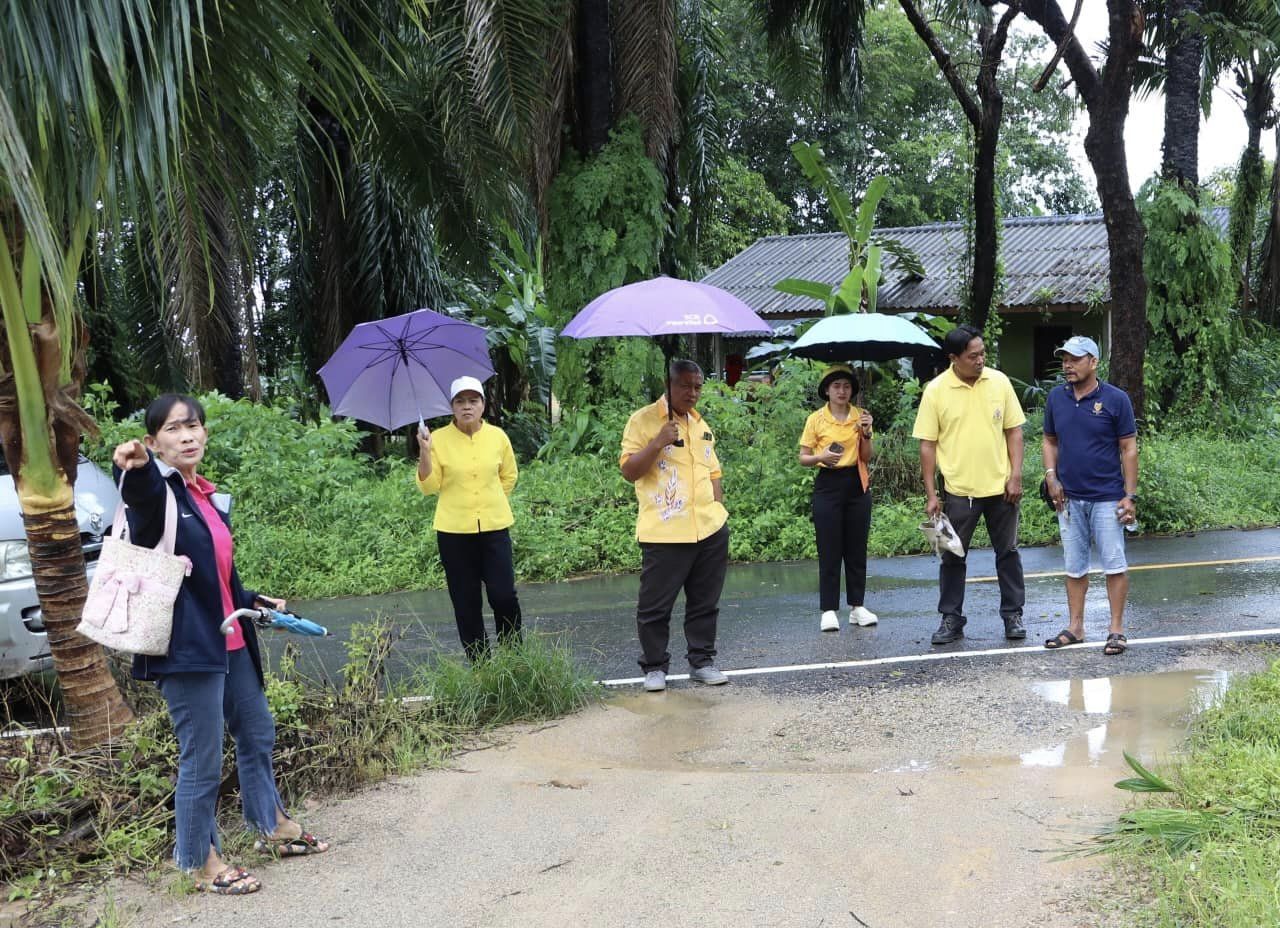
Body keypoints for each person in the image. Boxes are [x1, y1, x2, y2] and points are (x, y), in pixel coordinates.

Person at [113, 395, 328, 897]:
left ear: (205, 433)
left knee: (256, 733)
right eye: (172, 429)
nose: (187, 436)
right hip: (187, 648)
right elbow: (141, 502)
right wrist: (139, 469)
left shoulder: (205, 497)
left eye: (193, 426)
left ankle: (270, 825)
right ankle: (197, 860)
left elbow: (215, 574)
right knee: (202, 755)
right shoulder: (159, 494)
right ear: (153, 441)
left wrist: (252, 598)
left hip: (230, 636)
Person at [912, 324, 1028, 645]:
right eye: (972, 356)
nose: (980, 360)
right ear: (954, 358)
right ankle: (952, 618)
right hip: (959, 491)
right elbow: (927, 444)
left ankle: (1012, 615)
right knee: (951, 556)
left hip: (1001, 488)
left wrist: (1015, 474)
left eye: (982, 353)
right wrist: (932, 494)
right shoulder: (936, 390)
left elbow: (1014, 431)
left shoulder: (999, 382)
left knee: (1008, 553)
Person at [620, 359, 730, 692]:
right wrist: (657, 442)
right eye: (685, 385)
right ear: (668, 384)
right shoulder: (642, 421)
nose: (692, 393)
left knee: (705, 602)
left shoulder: (700, 424)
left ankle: (702, 662)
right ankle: (654, 667)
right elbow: (629, 471)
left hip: (709, 529)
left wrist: (719, 510)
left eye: (697, 386)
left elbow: (714, 473)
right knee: (655, 606)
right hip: (666, 531)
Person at [1041, 336, 1138, 656]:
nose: (1067, 365)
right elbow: (1049, 441)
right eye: (1065, 358)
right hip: (1069, 499)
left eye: (1075, 359)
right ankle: (1076, 627)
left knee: (1114, 564)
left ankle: (1116, 630)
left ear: (1093, 362)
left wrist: (1130, 495)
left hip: (1108, 497)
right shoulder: (1056, 398)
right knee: (1074, 565)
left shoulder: (1116, 399)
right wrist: (1051, 477)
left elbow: (1128, 448)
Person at [416, 376, 522, 660]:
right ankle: (481, 667)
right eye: (460, 401)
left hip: (495, 527)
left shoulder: (498, 437)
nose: (467, 407)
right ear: (451, 407)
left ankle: (514, 660)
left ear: (483, 405)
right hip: (454, 533)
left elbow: (509, 475)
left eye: (473, 400)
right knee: (466, 603)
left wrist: (492, 499)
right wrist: (425, 453)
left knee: (504, 596)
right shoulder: (436, 439)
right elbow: (429, 486)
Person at [798, 364, 877, 632]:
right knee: (830, 548)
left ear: (852, 390)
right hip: (828, 485)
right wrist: (820, 457)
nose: (842, 391)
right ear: (827, 391)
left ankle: (857, 606)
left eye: (846, 386)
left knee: (856, 548)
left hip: (856, 483)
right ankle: (829, 609)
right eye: (836, 386)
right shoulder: (816, 419)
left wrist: (866, 432)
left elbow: (866, 456)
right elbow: (803, 457)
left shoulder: (861, 416)